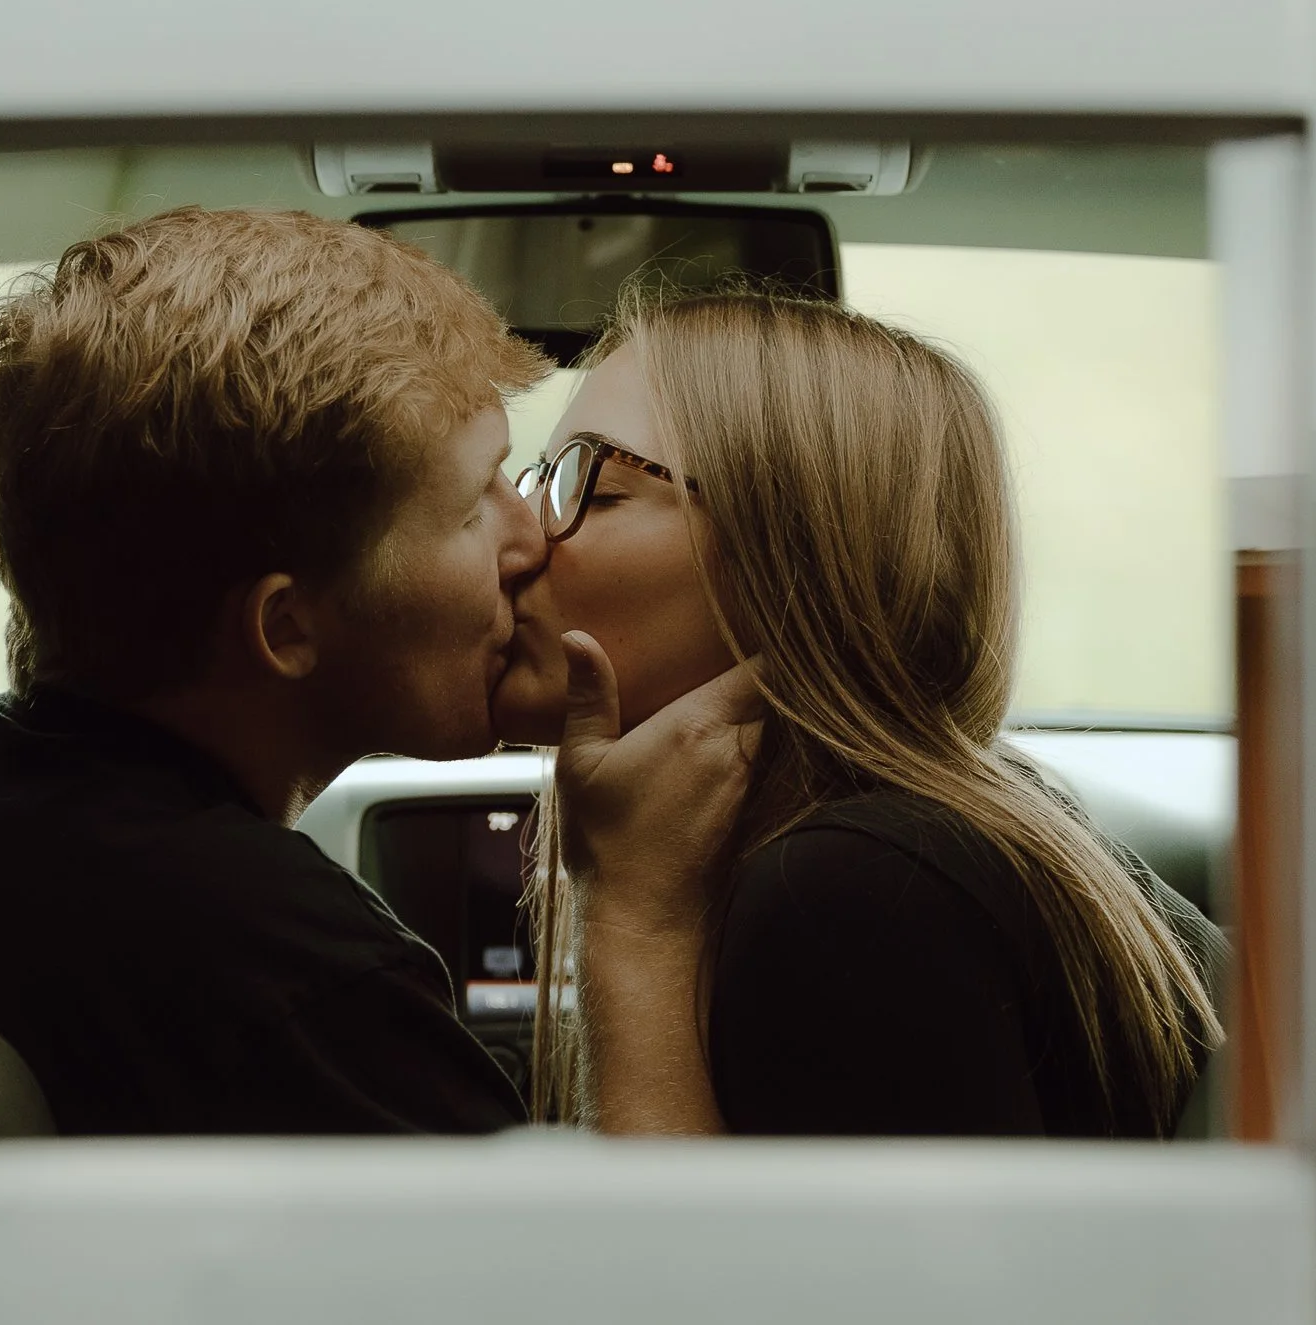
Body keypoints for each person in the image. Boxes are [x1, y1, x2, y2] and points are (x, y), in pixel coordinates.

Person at [0, 207, 760, 1137]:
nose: (528, 534)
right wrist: (640, 919)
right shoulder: (300, 983)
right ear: (285, 627)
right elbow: (633, 1280)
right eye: (469, 506)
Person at [494, 289, 1227, 1138]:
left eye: (591, 482)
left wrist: (633, 923)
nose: (517, 539)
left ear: (789, 558)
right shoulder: (961, 825)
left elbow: (684, 1274)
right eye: (538, 479)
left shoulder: (851, 893)